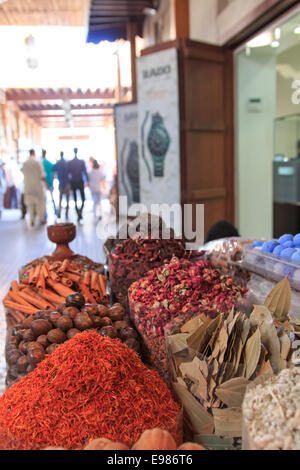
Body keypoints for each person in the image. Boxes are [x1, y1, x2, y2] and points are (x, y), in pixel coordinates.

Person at [21, 149, 46, 227]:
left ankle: (31, 219)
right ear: (34, 153)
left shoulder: (25, 163)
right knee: (39, 203)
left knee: (30, 204)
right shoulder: (37, 163)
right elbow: (42, 175)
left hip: (28, 186)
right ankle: (41, 218)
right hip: (37, 186)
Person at [67, 148, 88, 222]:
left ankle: (79, 212)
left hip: (75, 182)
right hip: (78, 181)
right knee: (80, 199)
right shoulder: (79, 162)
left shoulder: (72, 162)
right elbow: (85, 172)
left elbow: (68, 174)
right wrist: (87, 180)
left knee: (77, 199)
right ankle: (79, 213)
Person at [53, 151, 70, 219]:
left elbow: (53, 169)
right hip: (66, 183)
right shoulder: (66, 163)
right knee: (67, 200)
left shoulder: (58, 163)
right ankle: (66, 213)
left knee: (60, 199)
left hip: (61, 183)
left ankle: (59, 213)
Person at [41, 149, 56, 216]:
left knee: (44, 199)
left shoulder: (41, 163)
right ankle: (55, 212)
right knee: (51, 199)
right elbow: (53, 172)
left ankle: (45, 214)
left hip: (43, 183)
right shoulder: (48, 163)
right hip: (49, 182)